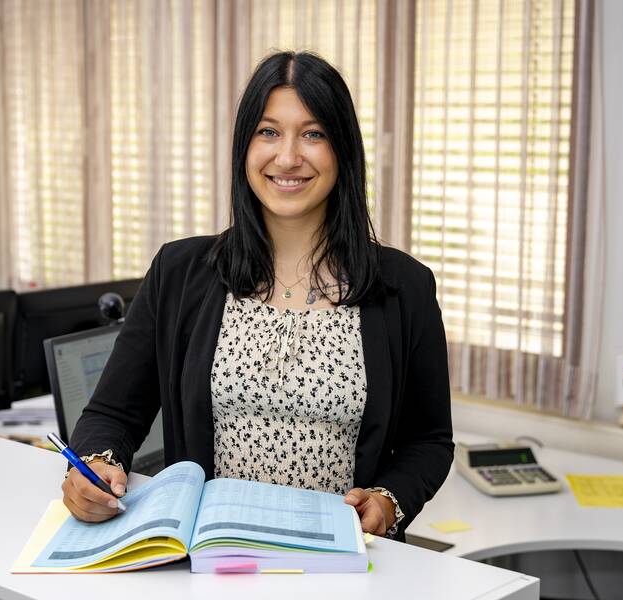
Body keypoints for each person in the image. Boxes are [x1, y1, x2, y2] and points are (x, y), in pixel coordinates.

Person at [63, 51, 453, 540]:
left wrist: (388, 501)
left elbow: (429, 441)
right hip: (212, 556)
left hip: (340, 563)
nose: (288, 157)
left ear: (343, 151)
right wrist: (94, 465)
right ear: (244, 147)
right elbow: (113, 412)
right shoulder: (180, 272)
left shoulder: (404, 287)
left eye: (313, 134)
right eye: (268, 132)